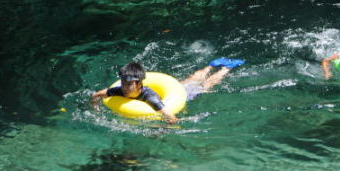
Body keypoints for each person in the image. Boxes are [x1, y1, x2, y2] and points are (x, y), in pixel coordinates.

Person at [89, 58, 244, 123]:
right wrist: (95, 108)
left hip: (182, 96)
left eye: (129, 85)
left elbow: (172, 117)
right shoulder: (118, 90)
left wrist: (163, 129)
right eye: (123, 83)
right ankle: (210, 65)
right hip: (174, 88)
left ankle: (225, 68)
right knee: (189, 80)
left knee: (204, 87)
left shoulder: (150, 97)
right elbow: (96, 95)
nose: (124, 87)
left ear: (140, 84)